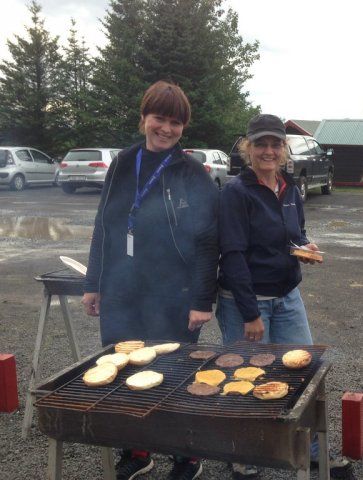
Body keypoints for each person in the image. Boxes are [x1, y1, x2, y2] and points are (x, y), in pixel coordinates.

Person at [81, 80, 219, 480]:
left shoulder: (193, 173)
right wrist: (94, 283)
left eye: (176, 122)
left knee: (175, 374)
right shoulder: (124, 163)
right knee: (123, 369)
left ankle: (185, 456)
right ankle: (137, 451)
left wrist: (201, 299)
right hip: (123, 289)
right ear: (144, 118)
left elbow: (209, 242)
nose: (167, 128)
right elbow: (104, 227)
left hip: (175, 293)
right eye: (160, 118)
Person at [216, 113, 354, 480]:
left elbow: (294, 233)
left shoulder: (289, 188)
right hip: (246, 302)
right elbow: (231, 255)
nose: (268, 150)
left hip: (287, 295)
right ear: (248, 148)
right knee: (245, 375)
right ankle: (242, 452)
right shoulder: (236, 192)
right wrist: (250, 314)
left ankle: (308, 448)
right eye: (260, 144)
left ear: (284, 148)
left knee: (304, 371)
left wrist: (304, 246)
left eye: (275, 144)